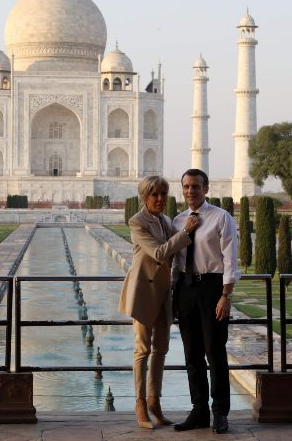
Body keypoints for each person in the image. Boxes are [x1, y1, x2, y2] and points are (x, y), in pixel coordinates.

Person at [118, 175, 200, 429]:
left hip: (164, 292)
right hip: (143, 291)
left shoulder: (165, 221)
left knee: (161, 350)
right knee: (142, 349)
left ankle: (155, 401)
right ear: (145, 196)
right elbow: (159, 253)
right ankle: (140, 403)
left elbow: (174, 258)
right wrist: (186, 231)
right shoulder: (137, 222)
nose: (160, 199)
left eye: (163, 194)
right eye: (155, 195)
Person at [171, 168, 239, 434]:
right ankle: (198, 410)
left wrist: (226, 295)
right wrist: (174, 294)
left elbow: (231, 260)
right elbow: (176, 261)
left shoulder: (221, 218)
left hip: (212, 288)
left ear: (206, 189)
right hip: (186, 288)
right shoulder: (178, 221)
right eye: (186, 186)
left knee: (215, 351)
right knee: (192, 354)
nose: (190, 191)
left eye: (196, 187)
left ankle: (220, 411)